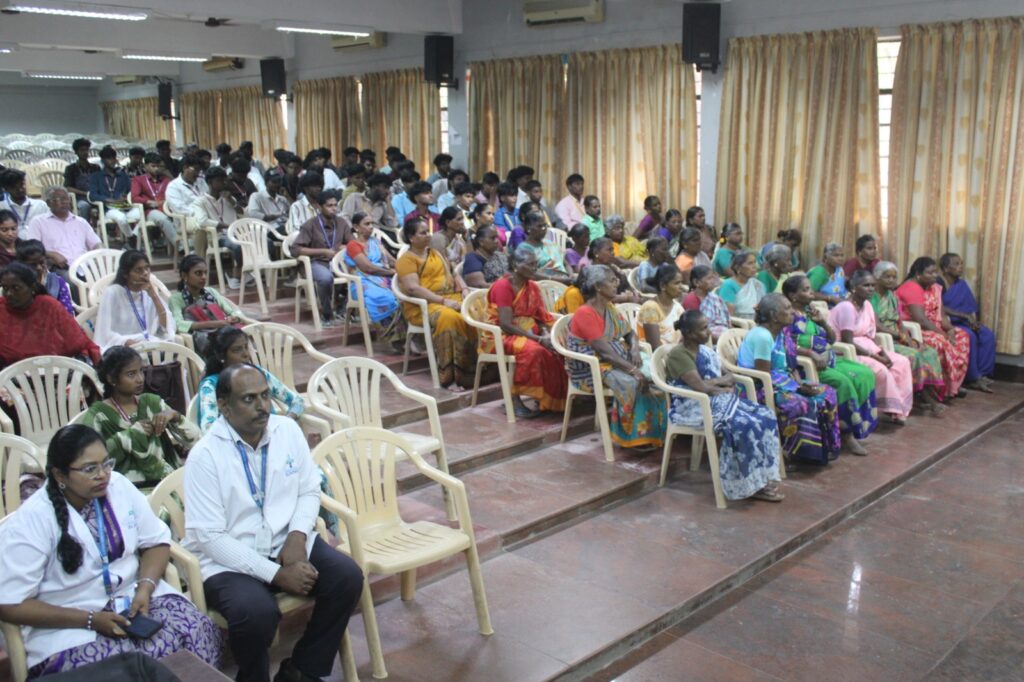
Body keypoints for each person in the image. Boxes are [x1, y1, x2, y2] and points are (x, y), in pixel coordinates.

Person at [183, 364, 363, 682]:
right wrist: (277, 574)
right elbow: (211, 537)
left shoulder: (287, 431)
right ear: (224, 405)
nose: (262, 406)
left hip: (284, 542)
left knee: (346, 578)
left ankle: (302, 670)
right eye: (249, 399)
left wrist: (297, 537)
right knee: (256, 614)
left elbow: (309, 490)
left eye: (265, 396)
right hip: (228, 559)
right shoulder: (205, 456)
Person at [0, 425, 221, 679]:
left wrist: (145, 588)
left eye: (106, 464)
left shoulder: (118, 486)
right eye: (90, 469)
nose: (102, 475)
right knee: (124, 664)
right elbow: (10, 603)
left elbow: (156, 542)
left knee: (196, 629)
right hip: (69, 621)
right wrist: (90, 619)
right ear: (60, 475)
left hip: (133, 598)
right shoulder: (33, 521)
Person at [665, 310, 785, 502]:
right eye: (703, 329)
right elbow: (701, 387)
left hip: (714, 400)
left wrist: (722, 384)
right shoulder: (679, 355)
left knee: (765, 415)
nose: (708, 332)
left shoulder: (704, 350)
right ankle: (745, 483)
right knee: (743, 425)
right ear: (689, 333)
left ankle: (762, 478)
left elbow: (725, 376)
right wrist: (721, 384)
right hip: (691, 406)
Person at [566, 265, 666, 449]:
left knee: (657, 375)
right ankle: (633, 437)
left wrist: (634, 349)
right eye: (612, 280)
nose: (617, 283)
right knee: (635, 382)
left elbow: (630, 333)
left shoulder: (609, 307)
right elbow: (603, 352)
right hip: (590, 367)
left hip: (613, 358)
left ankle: (656, 431)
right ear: (598, 287)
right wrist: (633, 370)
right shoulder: (585, 313)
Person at [737, 293, 841, 465]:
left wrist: (799, 384)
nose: (792, 312)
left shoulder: (780, 334)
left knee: (827, 393)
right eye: (787, 308)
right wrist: (797, 389)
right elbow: (763, 375)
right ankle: (792, 452)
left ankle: (820, 449)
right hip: (756, 388)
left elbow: (789, 367)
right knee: (798, 403)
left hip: (780, 382)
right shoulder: (763, 336)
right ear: (774, 316)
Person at [782, 274, 878, 454]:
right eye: (806, 290)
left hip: (829, 358)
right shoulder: (787, 316)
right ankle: (847, 434)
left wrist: (823, 323)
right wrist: (810, 353)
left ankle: (857, 425)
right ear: (793, 296)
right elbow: (785, 343)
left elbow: (832, 339)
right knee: (843, 382)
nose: (811, 293)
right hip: (807, 366)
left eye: (810, 288)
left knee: (865, 374)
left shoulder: (810, 312)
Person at [77, 346, 200, 483]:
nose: (140, 379)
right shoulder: (99, 415)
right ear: (111, 379)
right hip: (125, 486)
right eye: (131, 374)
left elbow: (196, 439)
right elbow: (88, 458)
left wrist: (174, 416)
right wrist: (128, 437)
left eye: (141, 371)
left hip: (165, 482)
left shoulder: (151, 403)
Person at [484, 248, 567, 418]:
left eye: (535, 264)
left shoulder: (533, 287)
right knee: (534, 351)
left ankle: (547, 399)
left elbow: (540, 316)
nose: (534, 268)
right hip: (501, 335)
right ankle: (514, 399)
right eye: (530, 264)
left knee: (558, 347)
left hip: (530, 333)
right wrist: (538, 339)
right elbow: (505, 324)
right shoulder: (503, 286)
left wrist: (546, 334)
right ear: (515, 265)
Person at [397, 217, 477, 390]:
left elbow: (454, 274)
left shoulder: (436, 253)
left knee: (476, 310)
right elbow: (412, 288)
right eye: (423, 233)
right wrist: (443, 301)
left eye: (428, 232)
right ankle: (451, 377)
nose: (428, 235)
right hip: (423, 305)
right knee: (449, 318)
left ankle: (479, 370)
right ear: (411, 237)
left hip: (450, 297)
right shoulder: (406, 260)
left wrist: (464, 289)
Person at [828, 271, 915, 424]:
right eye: (866, 285)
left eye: (873, 286)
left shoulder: (867, 305)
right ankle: (889, 409)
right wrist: (875, 356)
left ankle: (899, 407)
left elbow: (871, 336)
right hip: (848, 351)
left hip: (868, 346)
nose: (871, 289)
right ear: (854, 288)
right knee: (881, 370)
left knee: (902, 362)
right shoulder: (846, 307)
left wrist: (882, 352)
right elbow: (848, 341)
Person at [870, 261, 947, 410]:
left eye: (894, 277)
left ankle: (926, 392)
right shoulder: (872, 297)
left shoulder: (892, 295)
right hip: (883, 339)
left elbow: (899, 321)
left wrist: (909, 339)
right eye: (887, 277)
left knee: (929, 352)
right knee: (914, 355)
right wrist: (900, 337)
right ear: (877, 278)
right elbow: (876, 325)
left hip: (898, 336)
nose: (891, 280)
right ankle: (923, 396)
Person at [197, 326, 304, 432]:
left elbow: (297, 401)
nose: (246, 354)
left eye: (246, 347)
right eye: (237, 350)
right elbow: (208, 427)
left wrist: (286, 422)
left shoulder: (258, 374)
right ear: (221, 355)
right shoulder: (210, 386)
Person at [897, 256, 971, 399]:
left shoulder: (935, 288)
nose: (934, 276)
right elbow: (921, 320)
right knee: (941, 342)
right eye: (929, 273)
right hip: (916, 330)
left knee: (962, 336)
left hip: (934, 327)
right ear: (918, 274)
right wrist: (943, 334)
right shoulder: (911, 287)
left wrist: (949, 329)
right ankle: (938, 388)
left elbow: (941, 315)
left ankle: (953, 384)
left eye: (935, 272)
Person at [0, 262, 99, 368]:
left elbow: (79, 343)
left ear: (32, 287)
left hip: (57, 372)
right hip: (10, 374)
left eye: (16, 288)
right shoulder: (2, 308)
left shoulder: (49, 306)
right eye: (5, 288)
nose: (9, 294)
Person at [93, 250, 174, 352]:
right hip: (122, 348)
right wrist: (126, 342)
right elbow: (104, 333)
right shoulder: (113, 292)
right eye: (138, 270)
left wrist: (154, 296)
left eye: (147, 268)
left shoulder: (147, 292)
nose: (145, 273)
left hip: (148, 344)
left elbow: (165, 328)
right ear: (126, 274)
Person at [344, 211, 404, 346]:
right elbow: (368, 268)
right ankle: (393, 337)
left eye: (372, 223)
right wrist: (391, 273)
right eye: (367, 224)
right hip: (363, 282)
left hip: (383, 277)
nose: (371, 227)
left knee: (405, 293)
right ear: (356, 227)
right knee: (387, 297)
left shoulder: (375, 241)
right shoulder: (353, 245)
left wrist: (403, 269)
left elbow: (391, 260)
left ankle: (407, 336)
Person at [168, 255, 247, 355]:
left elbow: (231, 311)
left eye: (205, 273)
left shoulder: (211, 292)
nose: (204, 277)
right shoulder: (176, 299)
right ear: (184, 276)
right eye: (198, 273)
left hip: (224, 332)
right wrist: (215, 324)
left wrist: (234, 318)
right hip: (201, 341)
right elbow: (178, 324)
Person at [939, 252, 996, 392]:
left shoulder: (961, 284)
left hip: (964, 321)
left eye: (961, 264)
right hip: (948, 322)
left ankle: (982, 374)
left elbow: (969, 307)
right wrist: (962, 315)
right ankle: (972, 377)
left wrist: (973, 321)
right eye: (956, 264)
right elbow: (939, 306)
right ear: (946, 268)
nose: (960, 267)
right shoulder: (939, 283)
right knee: (970, 336)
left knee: (987, 335)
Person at [293, 190, 347, 326]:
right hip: (315, 262)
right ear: (319, 207)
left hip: (336, 262)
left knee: (358, 274)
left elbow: (352, 243)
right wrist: (322, 251)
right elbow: (296, 249)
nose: (334, 209)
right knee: (325, 278)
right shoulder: (310, 224)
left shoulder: (341, 223)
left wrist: (343, 247)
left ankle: (343, 309)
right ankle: (327, 315)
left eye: (335, 205)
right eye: (329, 206)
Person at [25, 186, 101, 283]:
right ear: (48, 203)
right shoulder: (38, 222)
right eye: (59, 199)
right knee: (73, 281)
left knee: (106, 277)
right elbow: (32, 248)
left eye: (66, 198)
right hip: (58, 267)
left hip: (85, 266)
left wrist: (100, 255)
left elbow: (96, 244)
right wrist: (52, 254)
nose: (64, 202)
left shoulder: (80, 222)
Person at [191, 167, 246, 290]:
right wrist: (226, 225)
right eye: (219, 180)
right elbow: (202, 221)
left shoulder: (228, 198)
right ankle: (235, 275)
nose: (223, 183)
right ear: (210, 182)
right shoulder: (200, 201)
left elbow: (242, 213)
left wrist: (232, 201)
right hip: (218, 236)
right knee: (238, 246)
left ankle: (248, 272)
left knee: (264, 242)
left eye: (224, 180)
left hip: (235, 233)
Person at [89, 146, 139, 242]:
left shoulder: (123, 176)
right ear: (103, 161)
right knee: (121, 218)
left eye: (114, 158)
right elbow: (93, 195)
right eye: (109, 158)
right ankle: (131, 239)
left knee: (142, 214)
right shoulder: (96, 176)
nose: (112, 161)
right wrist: (109, 200)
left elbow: (130, 191)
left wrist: (126, 197)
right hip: (108, 209)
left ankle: (133, 236)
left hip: (124, 206)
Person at [129, 153, 178, 252]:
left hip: (166, 208)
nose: (156, 169)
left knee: (180, 217)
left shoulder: (167, 180)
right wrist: (148, 202)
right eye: (153, 166)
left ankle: (186, 243)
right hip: (150, 210)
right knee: (162, 218)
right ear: (146, 166)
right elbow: (134, 197)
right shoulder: (139, 180)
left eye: (158, 166)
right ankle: (180, 246)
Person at [15, 238, 75, 315]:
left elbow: (67, 312)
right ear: (21, 265)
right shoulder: (15, 286)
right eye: (32, 265)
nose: (39, 268)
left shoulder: (57, 282)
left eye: (41, 262)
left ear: (46, 260)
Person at [515, 210, 573, 283]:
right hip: (546, 284)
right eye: (539, 226)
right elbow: (531, 274)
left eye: (545, 225)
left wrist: (571, 276)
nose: (544, 228)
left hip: (566, 280)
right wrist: (557, 280)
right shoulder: (524, 249)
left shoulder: (550, 243)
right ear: (528, 228)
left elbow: (566, 264)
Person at [637, 263, 685, 350]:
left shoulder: (678, 308)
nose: (681, 287)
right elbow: (655, 347)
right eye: (677, 283)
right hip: (656, 355)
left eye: (681, 282)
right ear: (663, 286)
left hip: (675, 352)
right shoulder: (650, 308)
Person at [341, 172, 398, 237]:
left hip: (375, 237)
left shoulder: (382, 205)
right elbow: (345, 218)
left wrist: (388, 202)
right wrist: (355, 232)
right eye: (385, 187)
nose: (387, 191)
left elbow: (393, 224)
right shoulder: (354, 198)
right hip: (356, 235)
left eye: (388, 188)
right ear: (374, 185)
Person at [683, 265, 731, 342]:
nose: (713, 281)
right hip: (705, 337)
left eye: (713, 278)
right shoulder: (691, 300)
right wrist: (721, 339)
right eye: (709, 278)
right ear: (696, 282)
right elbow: (695, 328)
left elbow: (725, 319)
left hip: (722, 332)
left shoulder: (714, 297)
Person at [717, 251, 766, 321]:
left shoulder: (758, 285)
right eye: (750, 263)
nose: (754, 266)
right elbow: (728, 315)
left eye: (754, 262)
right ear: (738, 268)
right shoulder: (728, 285)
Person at [1, 169, 48, 237]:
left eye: (22, 184)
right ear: (5, 189)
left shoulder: (40, 205)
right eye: (14, 187)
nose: (20, 189)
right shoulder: (2, 207)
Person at [245, 169, 291, 235]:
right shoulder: (257, 196)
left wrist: (287, 196)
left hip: (285, 225)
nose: (277, 184)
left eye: (279, 181)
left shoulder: (282, 198)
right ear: (266, 183)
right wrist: (273, 217)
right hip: (270, 229)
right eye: (274, 182)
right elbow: (253, 213)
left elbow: (292, 212)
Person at [462, 225, 509, 289]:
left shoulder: (497, 254)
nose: (497, 241)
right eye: (493, 238)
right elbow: (480, 285)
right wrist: (508, 286)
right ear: (481, 242)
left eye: (497, 237)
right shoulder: (472, 260)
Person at [64, 138, 100, 218]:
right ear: (76, 152)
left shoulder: (95, 168)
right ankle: (84, 225)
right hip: (79, 198)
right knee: (84, 206)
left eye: (87, 150)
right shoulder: (71, 168)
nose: (85, 152)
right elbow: (68, 188)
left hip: (95, 197)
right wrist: (86, 193)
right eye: (82, 150)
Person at [806, 242, 848, 306]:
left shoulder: (839, 269)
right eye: (836, 255)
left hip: (841, 302)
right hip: (823, 306)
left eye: (842, 255)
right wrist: (831, 298)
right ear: (825, 257)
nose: (840, 258)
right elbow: (809, 293)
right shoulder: (819, 272)